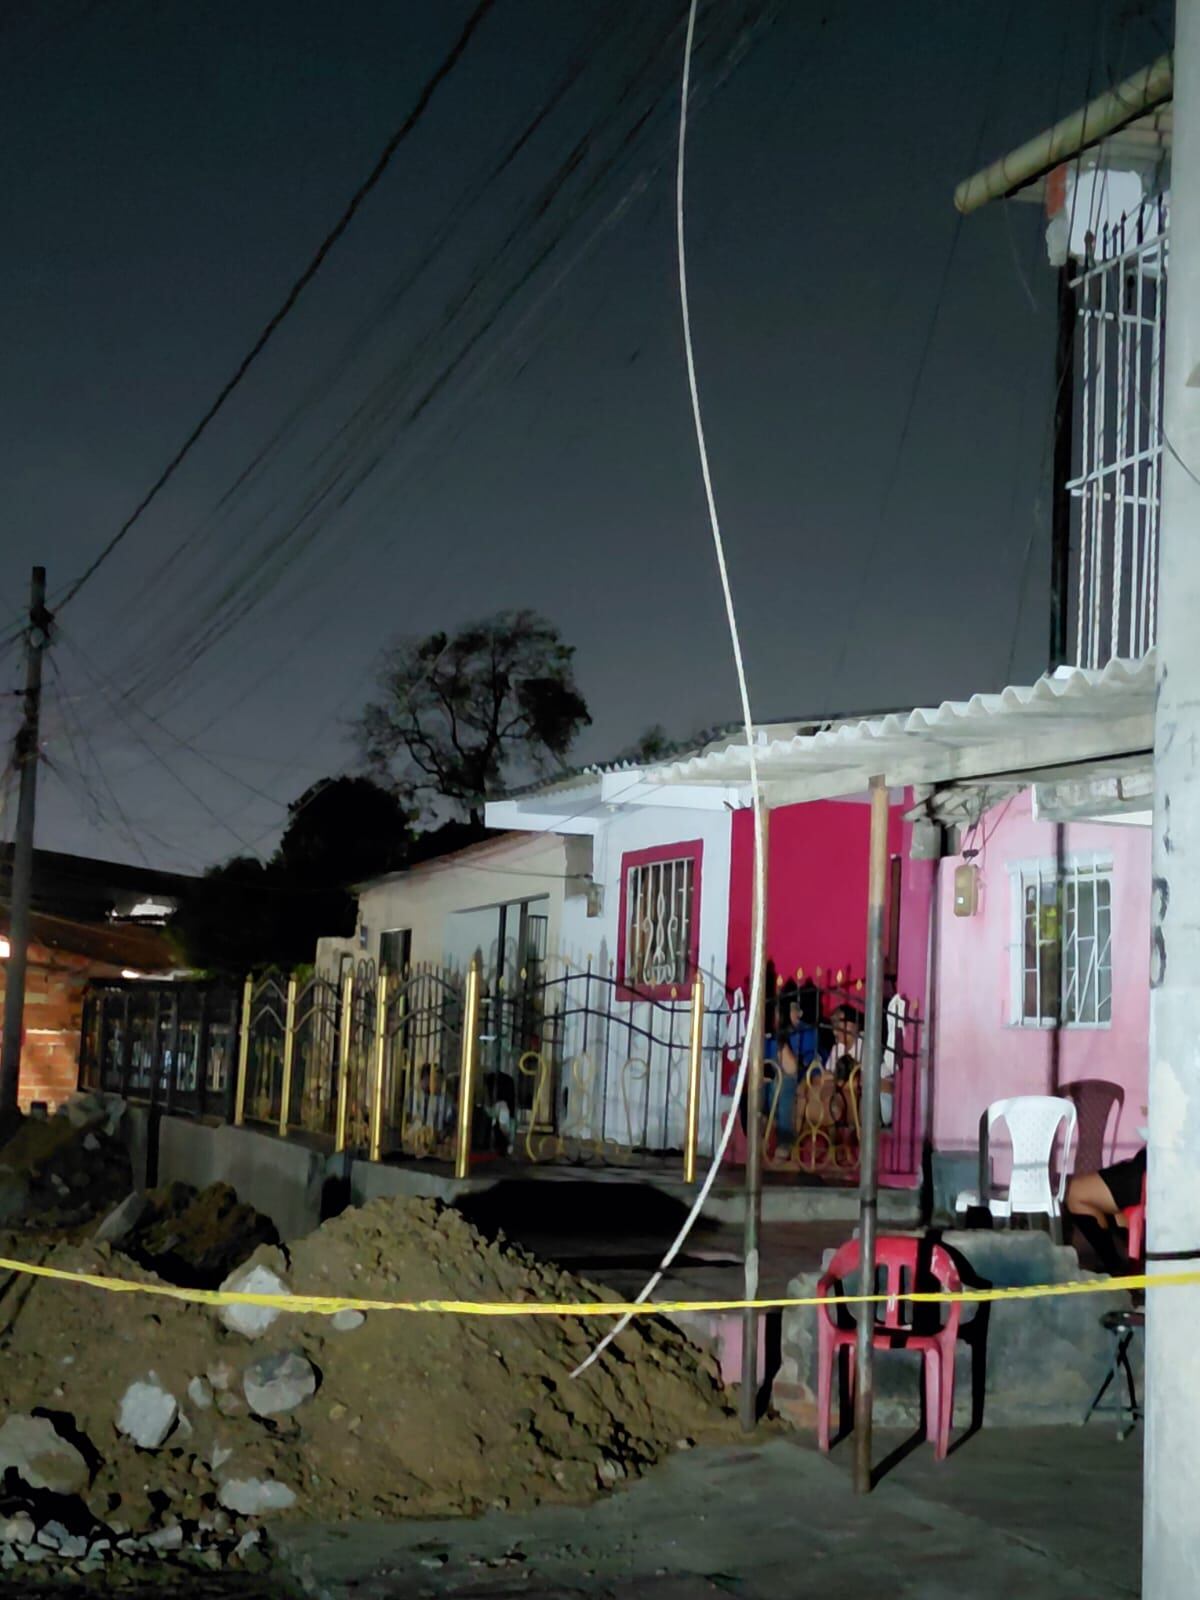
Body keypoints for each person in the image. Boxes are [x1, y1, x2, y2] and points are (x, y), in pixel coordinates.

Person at [1066, 1145, 1146, 1275]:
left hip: (1153, 1166)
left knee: (1075, 1194)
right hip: (1156, 1163)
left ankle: (1116, 1267)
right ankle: (1124, 1262)